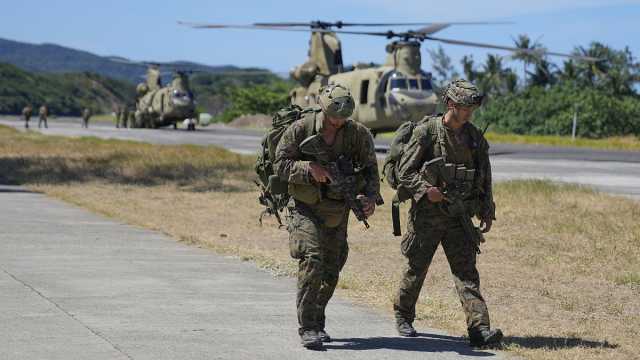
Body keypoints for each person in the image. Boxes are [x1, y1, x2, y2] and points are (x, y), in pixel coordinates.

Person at [392, 79, 503, 347]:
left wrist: (487, 210)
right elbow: (404, 172)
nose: (469, 113)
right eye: (465, 107)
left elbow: (484, 176)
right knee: (416, 269)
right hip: (427, 216)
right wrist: (425, 189)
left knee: (466, 273)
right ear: (450, 104)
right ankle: (403, 315)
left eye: (471, 108)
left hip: (459, 216)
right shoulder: (427, 132)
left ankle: (479, 329)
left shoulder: (474, 138)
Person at [273, 84, 381, 350]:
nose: (339, 121)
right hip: (305, 207)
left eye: (344, 117)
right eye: (334, 116)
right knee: (312, 258)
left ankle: (317, 319)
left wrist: (369, 198)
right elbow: (280, 164)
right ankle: (308, 326)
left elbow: (370, 171)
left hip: (337, 208)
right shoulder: (301, 129)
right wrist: (308, 168)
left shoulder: (358, 135)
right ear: (323, 108)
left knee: (332, 269)